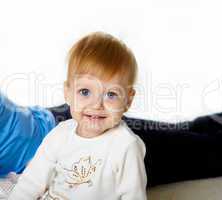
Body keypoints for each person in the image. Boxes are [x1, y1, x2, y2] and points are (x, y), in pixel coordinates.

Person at [8, 32, 147, 199]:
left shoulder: (125, 146)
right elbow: (32, 181)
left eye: (111, 94)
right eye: (85, 92)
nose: (96, 105)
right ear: (67, 93)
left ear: (128, 100)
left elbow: (134, 195)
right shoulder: (60, 134)